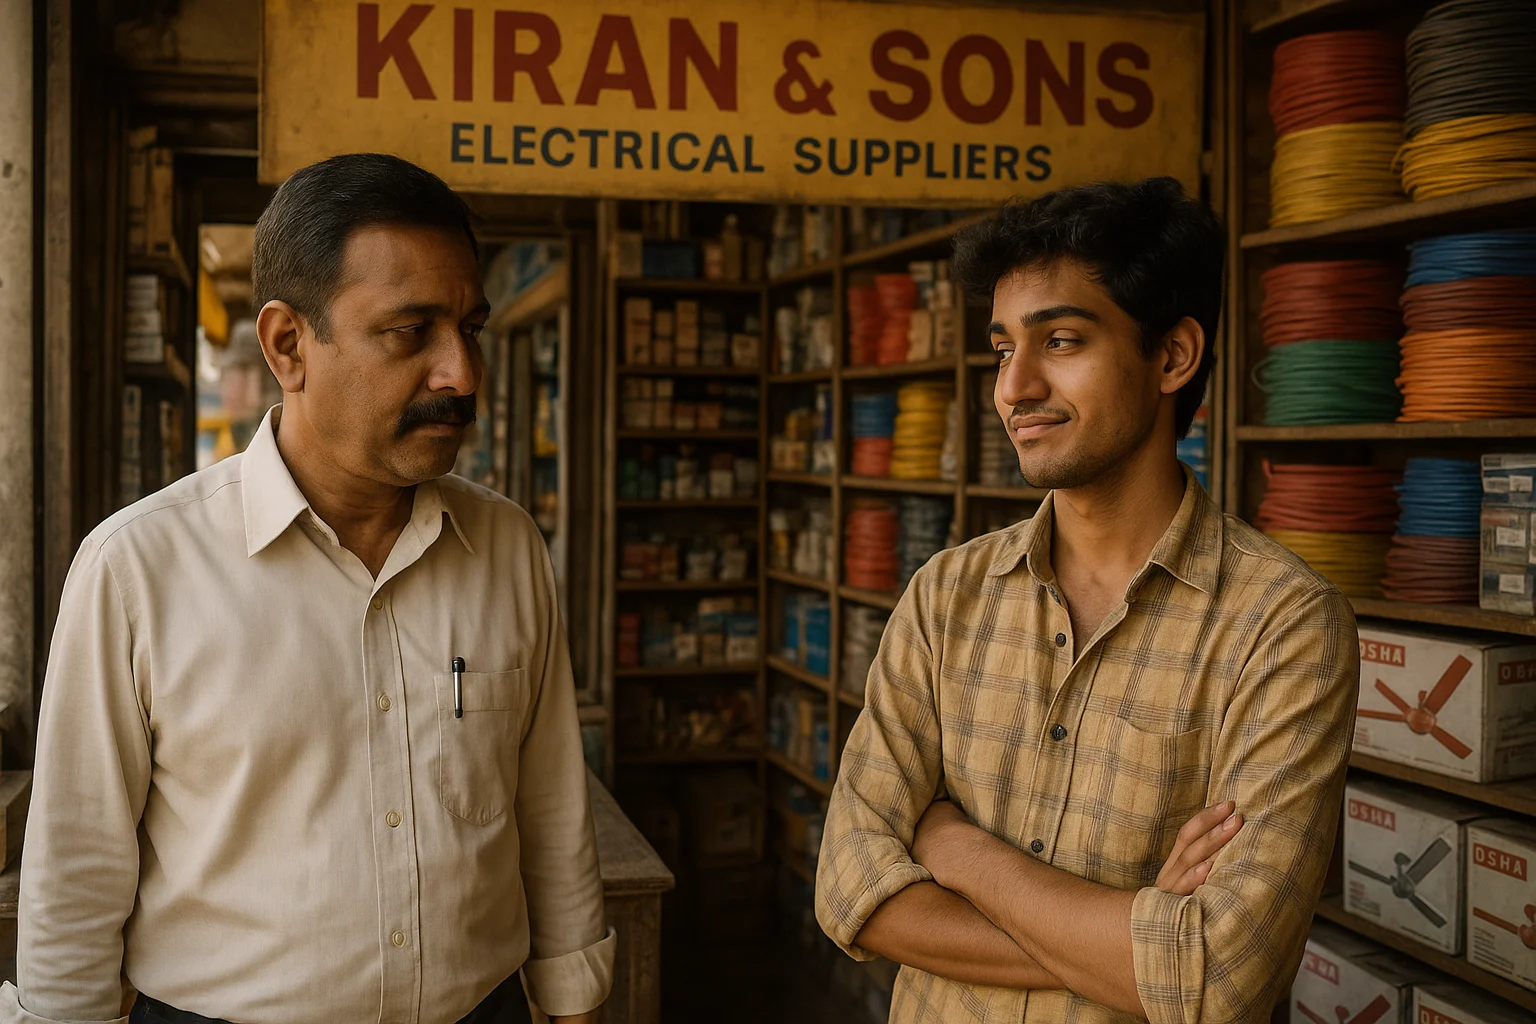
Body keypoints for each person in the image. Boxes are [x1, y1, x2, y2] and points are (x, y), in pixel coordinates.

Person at [4, 153, 613, 1024]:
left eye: (469, 329)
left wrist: (575, 1005)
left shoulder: (506, 546)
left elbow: (553, 815)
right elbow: (74, 882)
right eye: (412, 332)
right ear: (288, 344)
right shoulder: (137, 571)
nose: (462, 374)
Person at [815, 177, 1359, 1023]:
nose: (1013, 388)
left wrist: (954, 847)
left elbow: (1217, 978)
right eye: (1002, 350)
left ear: (1173, 356)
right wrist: (1132, 940)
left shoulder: (1283, 627)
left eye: (1060, 340)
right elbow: (852, 890)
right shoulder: (945, 597)